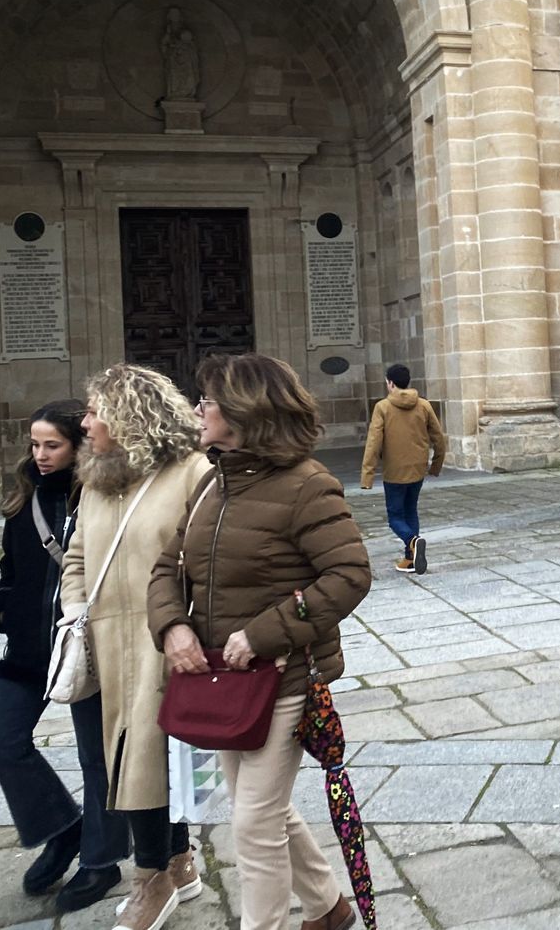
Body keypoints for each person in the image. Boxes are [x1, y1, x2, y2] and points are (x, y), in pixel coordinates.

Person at [149, 353, 372, 930]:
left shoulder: (307, 485)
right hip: (227, 682)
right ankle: (327, 907)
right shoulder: (212, 483)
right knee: (262, 810)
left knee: (253, 822)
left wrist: (264, 633)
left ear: (243, 411)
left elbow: (349, 574)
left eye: (208, 401)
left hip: (285, 678)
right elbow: (169, 566)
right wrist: (172, 625)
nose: (198, 410)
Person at [58, 364, 210, 930]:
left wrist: (184, 624)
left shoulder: (192, 473)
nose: (85, 423)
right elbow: (76, 557)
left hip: (165, 637)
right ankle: (179, 860)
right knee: (132, 757)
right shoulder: (95, 481)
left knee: (145, 757)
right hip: (105, 641)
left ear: (130, 417)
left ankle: (151, 881)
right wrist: (75, 609)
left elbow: (208, 556)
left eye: (95, 411)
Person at [0, 400, 130, 911]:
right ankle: (62, 828)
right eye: (35, 445)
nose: (40, 455)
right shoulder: (25, 496)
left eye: (53, 445)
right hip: (29, 648)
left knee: (97, 758)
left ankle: (101, 860)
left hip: (87, 644)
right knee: (4, 740)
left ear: (79, 445)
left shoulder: (102, 495)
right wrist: (4, 608)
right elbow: (11, 565)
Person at [359, 363, 446, 574]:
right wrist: (436, 465)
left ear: (390, 383)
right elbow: (438, 438)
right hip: (418, 469)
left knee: (395, 517)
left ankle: (412, 541)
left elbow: (373, 442)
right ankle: (410, 559)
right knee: (410, 510)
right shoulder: (424, 405)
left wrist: (367, 475)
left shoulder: (383, 407)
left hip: (394, 471)